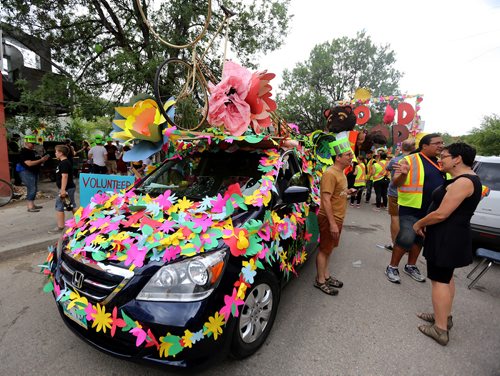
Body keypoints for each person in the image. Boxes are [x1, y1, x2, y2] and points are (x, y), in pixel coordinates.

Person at [412, 143, 482, 346]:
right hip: (448, 235)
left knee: (439, 280)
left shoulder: (464, 182)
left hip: (447, 237)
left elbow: (442, 213)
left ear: (457, 159)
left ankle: (440, 329)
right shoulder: (466, 179)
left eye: (443, 156)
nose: (440, 159)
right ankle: (444, 317)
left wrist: (420, 223)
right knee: (446, 277)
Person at [385, 133, 445, 283]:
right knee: (406, 238)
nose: (441, 146)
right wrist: (403, 175)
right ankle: (392, 267)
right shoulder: (409, 160)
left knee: (419, 240)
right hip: (411, 206)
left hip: (431, 210)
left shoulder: (441, 163)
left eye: (442, 143)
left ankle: (410, 266)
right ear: (424, 146)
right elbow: (395, 183)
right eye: (436, 143)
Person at [315, 138, 356, 295]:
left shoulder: (341, 173)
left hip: (338, 217)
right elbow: (325, 199)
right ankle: (320, 281)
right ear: (338, 157)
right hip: (329, 218)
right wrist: (332, 224)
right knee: (324, 249)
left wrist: (347, 192)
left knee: (329, 249)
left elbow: (335, 195)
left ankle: (325, 276)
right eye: (347, 155)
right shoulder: (330, 174)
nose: (351, 157)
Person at [385, 139, 416, 250]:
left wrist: (396, 155)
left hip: (395, 193)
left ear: (402, 148)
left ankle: (395, 244)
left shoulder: (396, 160)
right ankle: (407, 245)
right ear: (414, 148)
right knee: (409, 220)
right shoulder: (417, 161)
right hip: (412, 194)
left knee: (395, 218)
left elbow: (387, 168)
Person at [48, 145, 78, 234]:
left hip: (66, 188)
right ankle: (81, 221)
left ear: (61, 153)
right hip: (68, 188)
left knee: (59, 206)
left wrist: (62, 190)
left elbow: (64, 176)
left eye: (56, 151)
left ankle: (60, 227)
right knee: (72, 205)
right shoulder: (63, 162)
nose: (55, 153)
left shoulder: (64, 163)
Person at [18, 135, 50, 212]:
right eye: (32, 143)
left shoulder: (33, 151)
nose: (33, 145)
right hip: (26, 172)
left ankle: (32, 204)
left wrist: (43, 159)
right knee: (32, 188)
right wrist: (41, 160)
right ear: (26, 142)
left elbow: (37, 160)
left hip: (33, 171)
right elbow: (29, 163)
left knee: (34, 188)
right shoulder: (24, 152)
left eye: (34, 143)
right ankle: (30, 206)